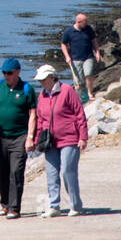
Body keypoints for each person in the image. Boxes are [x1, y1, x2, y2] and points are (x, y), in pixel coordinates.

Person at [0, 58, 37, 219]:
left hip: (20, 137)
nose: (6, 76)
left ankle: (14, 208)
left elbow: (33, 114)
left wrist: (30, 137)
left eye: (9, 73)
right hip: (0, 137)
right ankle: (4, 204)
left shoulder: (27, 89)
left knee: (16, 173)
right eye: (4, 72)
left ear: (18, 72)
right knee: (3, 173)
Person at [31, 64, 88, 216]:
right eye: (40, 80)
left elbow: (79, 114)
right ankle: (54, 205)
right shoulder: (42, 96)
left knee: (67, 171)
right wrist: (37, 139)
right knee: (51, 173)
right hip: (50, 141)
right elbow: (40, 119)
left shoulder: (67, 91)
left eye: (43, 79)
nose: (41, 83)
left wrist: (83, 137)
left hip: (69, 138)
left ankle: (75, 205)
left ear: (52, 77)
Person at [60, 13, 101, 103]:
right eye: (84, 22)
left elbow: (94, 41)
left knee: (88, 74)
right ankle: (80, 98)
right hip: (75, 59)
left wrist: (97, 52)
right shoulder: (69, 31)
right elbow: (63, 44)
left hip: (88, 57)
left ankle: (90, 93)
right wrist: (67, 56)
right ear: (78, 22)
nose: (86, 23)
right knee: (79, 81)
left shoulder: (88, 29)